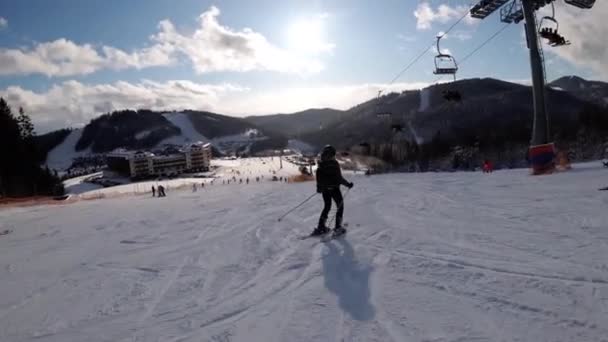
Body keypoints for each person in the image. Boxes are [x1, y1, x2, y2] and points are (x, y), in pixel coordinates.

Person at [312, 145, 353, 236]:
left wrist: (319, 188)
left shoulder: (321, 164)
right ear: (332, 154)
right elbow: (339, 179)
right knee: (340, 206)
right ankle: (338, 228)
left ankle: (321, 227)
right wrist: (348, 184)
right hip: (334, 189)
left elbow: (319, 178)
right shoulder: (334, 164)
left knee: (327, 207)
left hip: (325, 190)